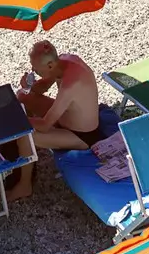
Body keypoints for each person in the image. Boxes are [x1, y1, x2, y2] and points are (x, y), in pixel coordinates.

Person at [9, 39, 107, 200]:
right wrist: (28, 86)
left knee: (25, 135)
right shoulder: (61, 62)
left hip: (81, 135)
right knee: (22, 96)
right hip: (65, 117)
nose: (33, 71)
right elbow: (41, 88)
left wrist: (19, 120)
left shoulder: (71, 83)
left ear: (49, 66)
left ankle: (24, 186)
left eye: (36, 69)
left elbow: (45, 125)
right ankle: (31, 150)